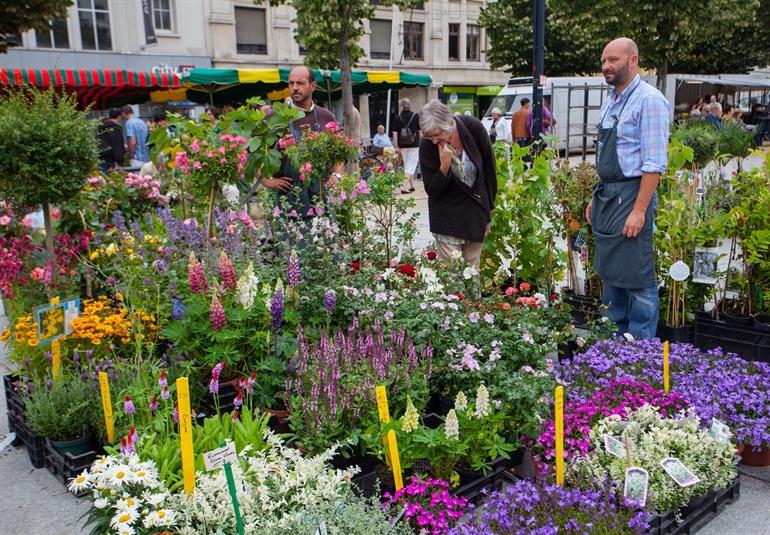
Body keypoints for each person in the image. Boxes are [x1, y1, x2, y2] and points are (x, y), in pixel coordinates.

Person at [585, 37, 669, 340]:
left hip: (634, 196)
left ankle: (641, 350)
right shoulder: (611, 99)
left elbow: (653, 164)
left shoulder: (649, 100)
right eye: (604, 61)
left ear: (633, 60)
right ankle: (614, 349)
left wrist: (639, 211)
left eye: (614, 60)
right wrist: (597, 196)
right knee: (611, 275)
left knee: (637, 276)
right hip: (608, 196)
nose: (606, 66)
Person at [418, 100, 497, 268]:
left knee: (472, 269)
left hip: (475, 214)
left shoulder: (473, 128)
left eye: (436, 134)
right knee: (451, 274)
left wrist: (488, 208)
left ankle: (472, 296)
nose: (433, 140)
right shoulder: (427, 145)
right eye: (429, 136)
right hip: (446, 217)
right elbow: (432, 190)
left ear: (448, 125)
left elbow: (490, 170)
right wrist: (444, 166)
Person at [262, 66, 341, 216]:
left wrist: (336, 175)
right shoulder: (274, 117)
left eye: (300, 83)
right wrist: (267, 181)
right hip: (289, 196)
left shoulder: (326, 116)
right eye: (291, 83)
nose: (295, 88)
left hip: (321, 192)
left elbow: (340, 152)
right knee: (291, 238)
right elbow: (253, 153)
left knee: (325, 237)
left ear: (313, 86)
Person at [392, 98, 420, 194]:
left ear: (402, 106)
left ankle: (411, 186)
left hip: (402, 145)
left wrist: (396, 146)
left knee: (408, 166)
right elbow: (420, 131)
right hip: (414, 145)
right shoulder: (416, 116)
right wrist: (422, 142)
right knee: (411, 166)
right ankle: (404, 187)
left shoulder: (397, 117)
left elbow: (395, 133)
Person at [97, 108, 125, 172]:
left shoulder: (102, 127)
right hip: (113, 162)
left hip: (102, 159)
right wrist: (119, 162)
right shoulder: (116, 128)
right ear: (119, 116)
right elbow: (117, 146)